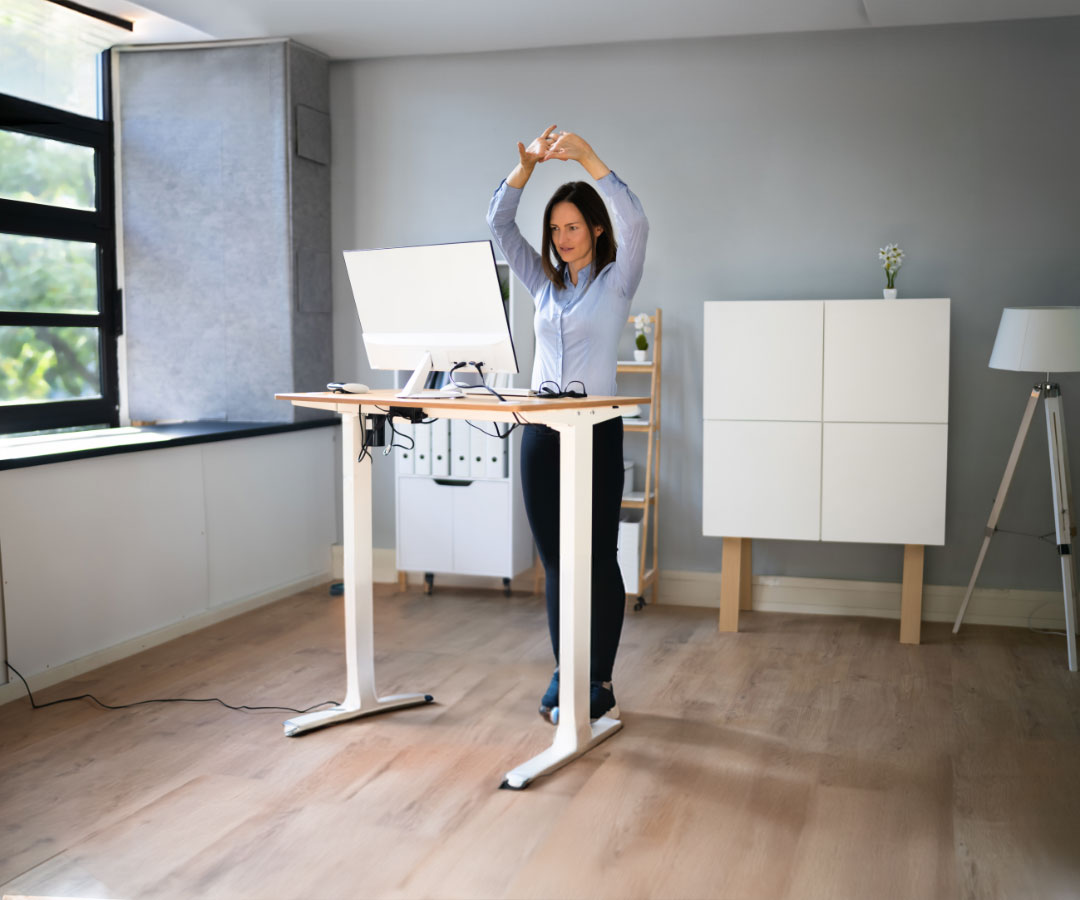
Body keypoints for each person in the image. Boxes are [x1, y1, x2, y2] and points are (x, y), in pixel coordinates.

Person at [486, 126, 649, 724]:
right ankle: (566, 669)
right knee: (555, 560)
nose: (561, 239)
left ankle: (599, 678)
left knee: (598, 559)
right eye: (555, 230)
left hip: (595, 432)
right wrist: (524, 171)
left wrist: (586, 157)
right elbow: (499, 226)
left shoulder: (616, 282)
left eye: (572, 227)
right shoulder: (542, 284)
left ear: (595, 229)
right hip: (541, 434)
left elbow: (638, 223)